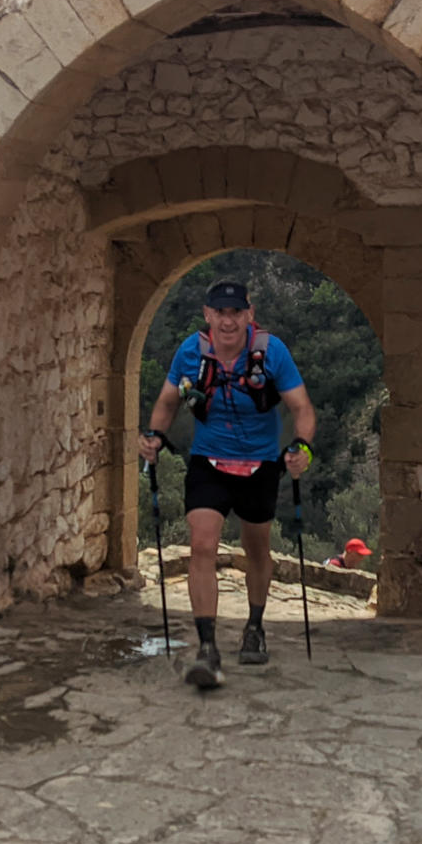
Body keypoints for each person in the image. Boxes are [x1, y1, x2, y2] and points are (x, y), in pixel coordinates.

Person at [139, 278, 316, 690]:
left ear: (249, 314)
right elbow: (167, 401)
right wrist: (154, 435)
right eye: (221, 312)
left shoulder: (272, 352)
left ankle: (254, 626)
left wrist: (302, 447)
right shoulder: (191, 352)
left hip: (260, 464)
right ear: (208, 315)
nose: (228, 321)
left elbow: (302, 407)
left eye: (236, 312)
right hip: (209, 461)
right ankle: (207, 648)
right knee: (202, 545)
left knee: (257, 549)